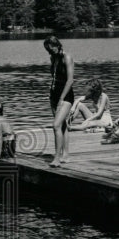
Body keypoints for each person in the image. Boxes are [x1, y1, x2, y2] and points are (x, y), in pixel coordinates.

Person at [44, 36, 74, 166]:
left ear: (57, 45)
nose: (50, 52)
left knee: (55, 125)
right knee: (62, 125)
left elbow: (70, 80)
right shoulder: (53, 58)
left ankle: (56, 158)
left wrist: (61, 98)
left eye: (51, 49)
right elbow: (55, 78)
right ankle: (65, 155)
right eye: (48, 50)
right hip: (54, 95)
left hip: (66, 96)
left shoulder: (66, 57)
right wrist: (51, 94)